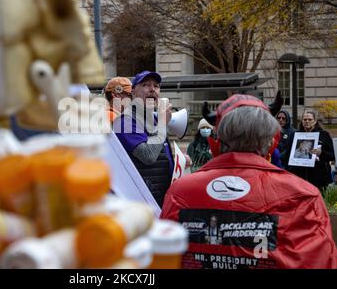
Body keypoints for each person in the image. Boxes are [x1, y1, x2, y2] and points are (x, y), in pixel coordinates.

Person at [161, 94, 337, 269]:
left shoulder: (180, 191)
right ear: (270, 140)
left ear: (218, 137)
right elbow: (320, 260)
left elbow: (161, 255)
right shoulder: (304, 195)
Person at [113, 71, 174, 207]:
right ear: (133, 93)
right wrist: (163, 124)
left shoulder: (155, 120)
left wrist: (178, 162)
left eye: (156, 86)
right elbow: (148, 156)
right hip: (142, 201)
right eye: (146, 85)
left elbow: (161, 154)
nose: (152, 89)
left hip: (159, 197)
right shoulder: (124, 123)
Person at [288, 110, 335, 189]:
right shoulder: (295, 135)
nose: (307, 121)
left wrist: (321, 153)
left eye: (310, 119)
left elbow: (332, 156)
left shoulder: (324, 135)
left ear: (315, 121)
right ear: (302, 121)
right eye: (305, 119)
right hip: (299, 177)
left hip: (319, 177)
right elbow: (288, 154)